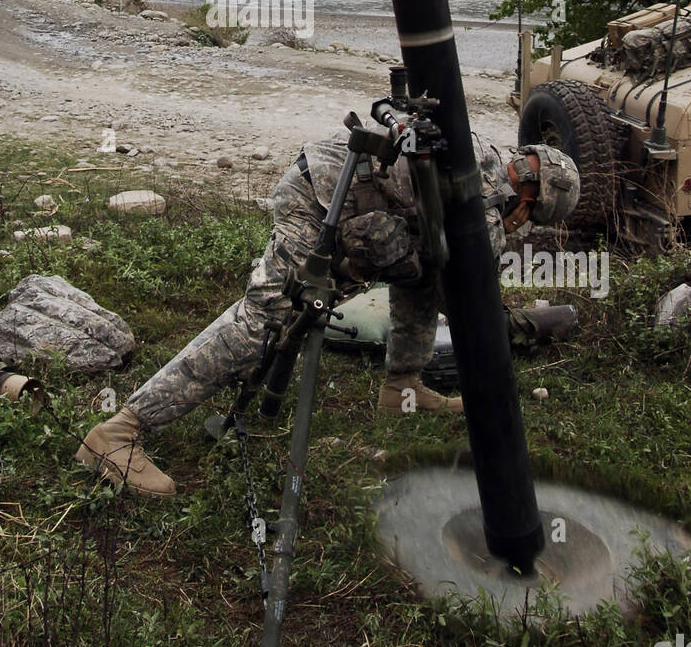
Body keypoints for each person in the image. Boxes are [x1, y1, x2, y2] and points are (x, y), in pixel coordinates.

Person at [76, 129, 580, 497]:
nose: (523, 226)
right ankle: (118, 432)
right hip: (318, 198)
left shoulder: (482, 159)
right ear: (531, 195)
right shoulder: (486, 209)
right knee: (268, 316)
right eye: (532, 217)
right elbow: (470, 307)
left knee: (420, 278)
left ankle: (401, 386)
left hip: (341, 191)